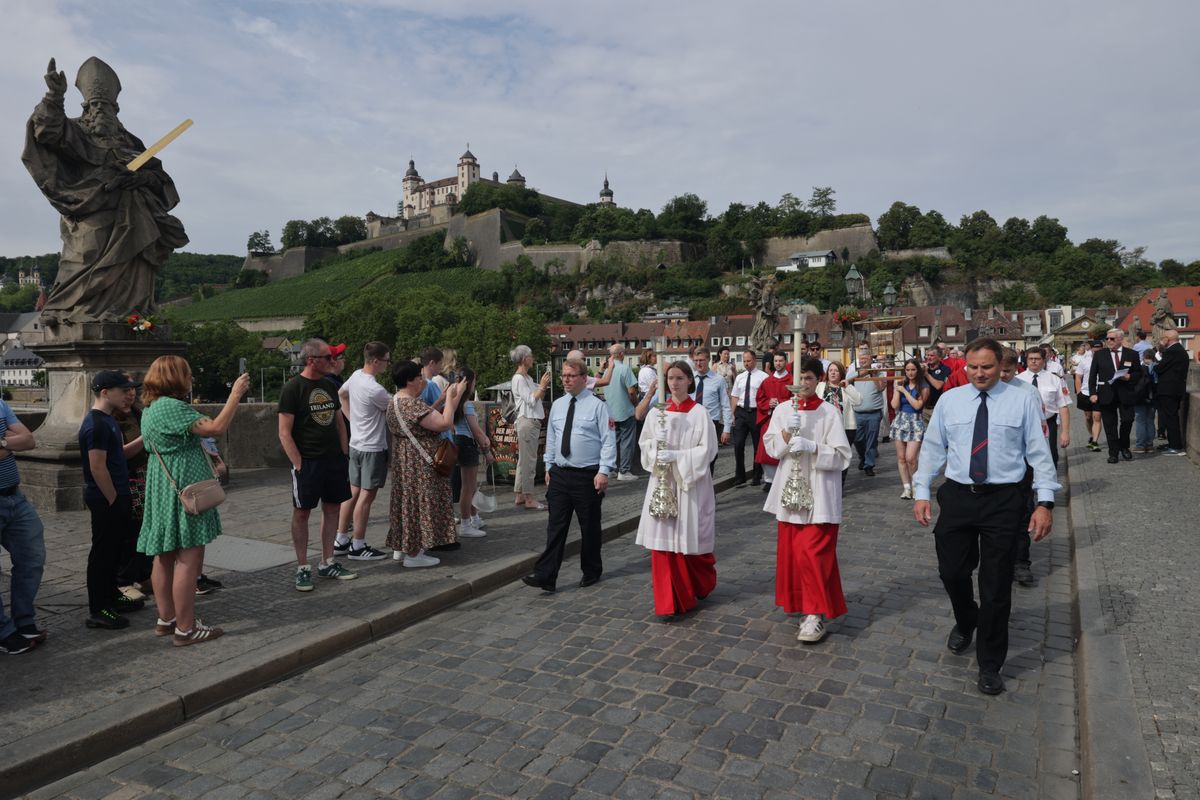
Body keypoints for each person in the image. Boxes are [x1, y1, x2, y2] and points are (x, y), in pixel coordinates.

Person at [913, 338, 1059, 695]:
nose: (980, 373)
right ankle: (966, 619)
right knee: (952, 572)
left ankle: (990, 663)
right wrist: (920, 491)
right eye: (974, 367)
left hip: (1003, 500)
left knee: (995, 587)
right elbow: (933, 448)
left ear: (1000, 366)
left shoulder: (1023, 399)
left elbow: (1039, 452)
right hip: (960, 497)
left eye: (987, 367)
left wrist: (1045, 502)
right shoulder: (950, 400)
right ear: (965, 366)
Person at [22, 57, 188, 325]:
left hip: (134, 216)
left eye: (106, 106)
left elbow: (160, 178)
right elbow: (46, 132)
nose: (100, 110)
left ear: (116, 109)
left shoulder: (130, 141)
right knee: (85, 255)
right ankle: (69, 309)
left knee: (136, 262)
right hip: (89, 210)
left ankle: (134, 316)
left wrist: (141, 178)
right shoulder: (75, 132)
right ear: (85, 108)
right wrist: (54, 96)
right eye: (95, 105)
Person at [139, 356, 251, 645]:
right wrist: (235, 394)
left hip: (163, 487)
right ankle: (186, 629)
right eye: (188, 374)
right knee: (188, 558)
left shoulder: (151, 408)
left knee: (163, 556)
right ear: (174, 378)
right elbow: (215, 428)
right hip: (183, 488)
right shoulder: (172, 407)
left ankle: (167, 619)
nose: (192, 379)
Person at [763, 357, 852, 644]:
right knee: (795, 555)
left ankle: (815, 615)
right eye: (799, 379)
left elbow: (841, 456)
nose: (803, 385)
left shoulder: (828, 412)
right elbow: (772, 448)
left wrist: (813, 446)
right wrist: (788, 431)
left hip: (820, 491)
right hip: (791, 490)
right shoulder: (784, 411)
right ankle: (804, 605)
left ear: (819, 380)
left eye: (810, 379)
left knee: (814, 554)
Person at [522, 358, 615, 592]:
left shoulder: (597, 406)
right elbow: (553, 437)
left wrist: (604, 471)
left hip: (587, 475)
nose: (566, 379)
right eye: (563, 375)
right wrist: (549, 466)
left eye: (571, 375)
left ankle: (592, 570)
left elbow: (608, 441)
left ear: (584, 378)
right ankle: (546, 575)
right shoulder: (558, 405)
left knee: (589, 526)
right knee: (556, 526)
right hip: (561, 475)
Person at [635, 361, 718, 617]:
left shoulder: (699, 414)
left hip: (688, 484)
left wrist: (677, 456)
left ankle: (697, 584)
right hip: (662, 482)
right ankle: (671, 601)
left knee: (687, 539)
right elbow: (644, 442)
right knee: (663, 543)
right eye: (670, 378)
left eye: (680, 378)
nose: (674, 383)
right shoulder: (656, 412)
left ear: (689, 381)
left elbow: (708, 450)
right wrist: (655, 451)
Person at [278, 339, 357, 591]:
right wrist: (298, 463)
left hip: (333, 459)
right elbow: (284, 432)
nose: (332, 361)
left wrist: (344, 452)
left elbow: (339, 422)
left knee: (332, 508)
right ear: (312, 360)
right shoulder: (293, 388)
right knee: (302, 512)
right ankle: (303, 567)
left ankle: (327, 561)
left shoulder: (328, 385)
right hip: (308, 461)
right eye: (327, 357)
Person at [79, 371, 145, 629]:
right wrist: (114, 499)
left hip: (116, 495)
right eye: (122, 389)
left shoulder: (108, 421)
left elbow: (119, 455)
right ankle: (99, 609)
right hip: (106, 498)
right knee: (103, 554)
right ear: (105, 392)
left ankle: (113, 596)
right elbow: (97, 468)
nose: (129, 394)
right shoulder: (96, 424)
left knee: (115, 551)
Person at [386, 360, 466, 567]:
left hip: (405, 461)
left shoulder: (395, 401)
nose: (422, 381)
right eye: (419, 377)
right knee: (421, 504)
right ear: (411, 381)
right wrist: (450, 397)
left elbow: (422, 418)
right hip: (420, 464)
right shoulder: (412, 404)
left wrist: (441, 400)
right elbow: (444, 423)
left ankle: (402, 547)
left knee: (406, 503)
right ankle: (415, 554)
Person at [334, 341, 392, 561]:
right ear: (376, 361)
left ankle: (341, 539)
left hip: (356, 444)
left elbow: (341, 394)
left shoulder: (356, 376)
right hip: (372, 447)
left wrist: (352, 419)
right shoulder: (375, 389)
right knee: (366, 497)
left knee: (352, 492)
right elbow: (396, 409)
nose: (388, 364)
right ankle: (358, 545)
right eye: (386, 360)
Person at [0, 399, 47, 654]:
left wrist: (3, 443)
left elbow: (29, 440)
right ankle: (4, 633)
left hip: (14, 497)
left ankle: (24, 620)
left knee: (32, 557)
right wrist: (9, 440)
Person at [1088, 328, 1142, 464]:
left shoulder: (1132, 354)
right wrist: (1093, 393)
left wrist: (1129, 376)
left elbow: (1139, 373)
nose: (1108, 341)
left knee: (1127, 420)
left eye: (1112, 338)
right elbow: (1092, 375)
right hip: (1106, 393)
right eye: (1107, 338)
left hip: (1126, 393)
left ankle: (1124, 446)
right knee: (1109, 425)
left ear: (1120, 339)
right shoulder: (1100, 354)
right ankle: (1113, 452)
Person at [452, 368, 495, 536]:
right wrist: (487, 450)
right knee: (468, 487)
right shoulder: (467, 405)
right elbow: (476, 431)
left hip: (459, 442)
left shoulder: (455, 403)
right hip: (468, 444)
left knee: (469, 486)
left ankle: (474, 517)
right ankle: (465, 524)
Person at [510, 345, 551, 510]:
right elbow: (531, 399)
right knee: (529, 461)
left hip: (530, 421)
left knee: (524, 460)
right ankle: (529, 498)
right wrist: (541, 386)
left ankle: (520, 495)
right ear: (524, 359)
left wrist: (542, 386)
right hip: (527, 421)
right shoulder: (519, 378)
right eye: (531, 356)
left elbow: (539, 395)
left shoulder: (526, 378)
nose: (532, 358)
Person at [1015, 347, 1071, 467]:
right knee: (1025, 456)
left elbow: (1063, 406)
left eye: (1037, 359)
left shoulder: (1055, 379)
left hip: (1048, 423)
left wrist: (1065, 432)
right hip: (1025, 424)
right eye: (1031, 359)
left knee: (1050, 455)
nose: (1033, 361)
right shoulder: (1018, 380)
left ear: (1044, 360)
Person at [890, 359, 930, 500]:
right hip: (901, 421)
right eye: (907, 370)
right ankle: (906, 487)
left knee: (911, 458)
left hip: (915, 422)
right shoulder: (902, 385)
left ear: (918, 370)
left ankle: (916, 484)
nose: (910, 372)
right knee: (901, 458)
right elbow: (894, 405)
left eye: (913, 369)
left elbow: (918, 405)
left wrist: (905, 392)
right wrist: (897, 390)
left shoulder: (923, 386)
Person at [817, 361, 862, 486]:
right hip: (825, 427)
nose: (833, 373)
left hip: (846, 427)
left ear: (841, 373)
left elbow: (858, 401)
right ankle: (826, 483)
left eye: (836, 370)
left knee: (842, 456)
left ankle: (839, 483)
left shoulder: (846, 387)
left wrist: (847, 386)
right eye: (830, 370)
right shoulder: (820, 386)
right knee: (826, 455)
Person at [754, 352, 794, 491]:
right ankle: (769, 479)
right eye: (775, 361)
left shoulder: (792, 381)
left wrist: (780, 403)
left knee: (784, 446)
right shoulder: (767, 381)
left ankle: (784, 476)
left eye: (781, 361)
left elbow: (795, 399)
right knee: (767, 447)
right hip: (769, 419)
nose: (778, 363)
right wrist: (768, 404)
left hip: (785, 421)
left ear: (785, 362)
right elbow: (760, 399)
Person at [600, 344, 639, 481]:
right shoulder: (625, 369)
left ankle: (611, 469)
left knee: (613, 442)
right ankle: (624, 470)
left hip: (610, 411)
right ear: (622, 354)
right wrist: (636, 404)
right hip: (625, 410)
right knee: (626, 442)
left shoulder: (607, 371)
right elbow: (631, 391)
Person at [690, 347, 733, 471]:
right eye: (696, 360)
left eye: (701, 360)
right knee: (693, 460)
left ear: (708, 359)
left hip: (711, 424)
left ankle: (708, 488)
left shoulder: (718, 380)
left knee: (710, 459)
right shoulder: (689, 380)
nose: (698, 363)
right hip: (692, 423)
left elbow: (726, 405)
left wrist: (726, 429)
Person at [730, 351, 768, 486]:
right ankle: (740, 476)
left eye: (748, 361)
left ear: (754, 360)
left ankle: (757, 476)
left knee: (757, 445)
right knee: (738, 444)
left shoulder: (763, 377)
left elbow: (766, 396)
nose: (746, 363)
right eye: (744, 361)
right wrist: (732, 414)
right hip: (741, 412)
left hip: (756, 412)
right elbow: (735, 395)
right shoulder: (740, 377)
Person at [846, 346, 885, 477]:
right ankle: (863, 457)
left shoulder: (879, 372)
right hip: (857, 412)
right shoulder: (854, 371)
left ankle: (869, 464)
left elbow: (881, 388)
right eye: (861, 358)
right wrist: (860, 373)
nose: (863, 361)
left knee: (872, 440)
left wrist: (873, 375)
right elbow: (846, 382)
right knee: (858, 438)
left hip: (874, 412)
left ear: (871, 359)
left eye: (865, 358)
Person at [1154, 329, 1189, 455]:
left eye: (1163, 338)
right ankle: (1172, 443)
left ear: (1168, 339)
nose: (1162, 339)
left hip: (1169, 390)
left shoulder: (1172, 351)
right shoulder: (1180, 350)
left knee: (1171, 418)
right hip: (1175, 389)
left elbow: (1159, 368)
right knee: (1171, 417)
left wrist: (1159, 354)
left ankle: (1175, 446)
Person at [1076, 339, 1104, 452]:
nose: (1096, 352)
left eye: (1099, 350)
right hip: (1085, 392)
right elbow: (1078, 377)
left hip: (1100, 392)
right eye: (1095, 350)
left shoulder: (1106, 360)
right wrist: (1079, 392)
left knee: (1097, 417)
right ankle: (1092, 435)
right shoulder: (1084, 361)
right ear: (1091, 349)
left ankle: (1095, 442)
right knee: (1088, 417)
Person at [1132, 349, 1157, 453]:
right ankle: (1150, 445)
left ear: (1143, 357)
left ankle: (1140, 445)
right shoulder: (1156, 368)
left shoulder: (1140, 369)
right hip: (1153, 398)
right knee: (1150, 421)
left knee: (1140, 421)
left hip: (1141, 398)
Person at [923, 347, 952, 423]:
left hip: (937, 408)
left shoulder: (945, 369)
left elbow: (938, 386)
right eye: (927, 355)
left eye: (932, 355)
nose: (929, 357)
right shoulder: (924, 368)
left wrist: (926, 374)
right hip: (923, 408)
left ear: (939, 358)